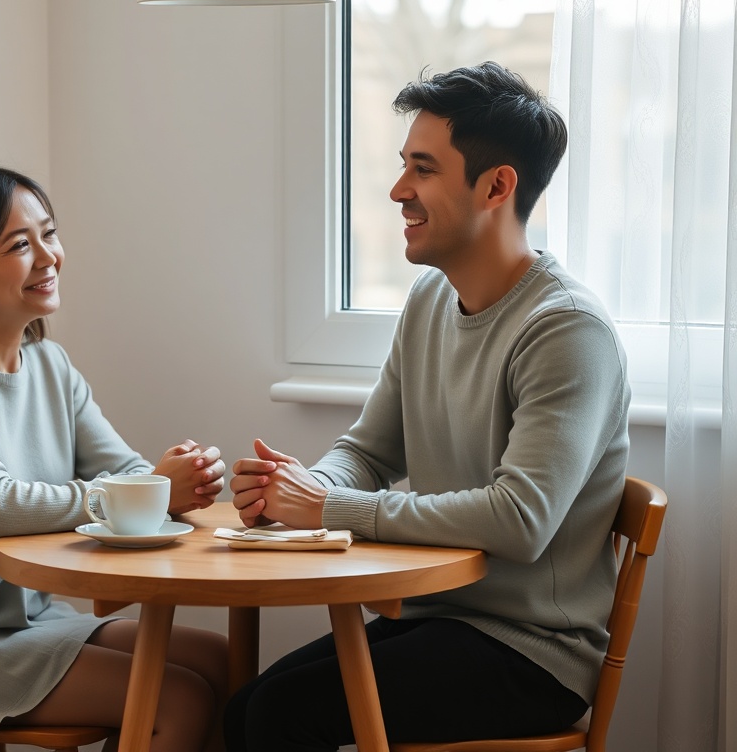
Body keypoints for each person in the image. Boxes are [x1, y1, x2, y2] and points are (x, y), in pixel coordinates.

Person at [226, 62, 631, 750]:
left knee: (279, 715)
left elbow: (520, 520)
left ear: (497, 185)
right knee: (244, 708)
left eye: (423, 169)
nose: (397, 191)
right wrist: (301, 489)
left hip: (530, 653)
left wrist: (325, 510)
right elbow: (370, 451)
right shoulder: (431, 300)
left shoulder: (566, 331)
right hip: (434, 619)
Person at [0, 164, 228, 751]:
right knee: (179, 698)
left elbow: (126, 470)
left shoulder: (49, 366)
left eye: (49, 234)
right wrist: (148, 490)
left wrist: (175, 478)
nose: (49, 257)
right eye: (19, 244)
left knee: (217, 656)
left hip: (37, 621)